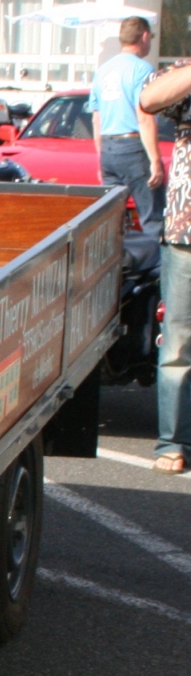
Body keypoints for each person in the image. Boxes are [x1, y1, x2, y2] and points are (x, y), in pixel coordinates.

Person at [139, 59, 191, 472]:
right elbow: (148, 98)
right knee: (178, 342)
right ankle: (172, 443)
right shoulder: (184, 74)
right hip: (186, 233)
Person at [87, 16, 162, 238]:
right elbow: (145, 117)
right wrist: (156, 161)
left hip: (109, 148)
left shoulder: (103, 70)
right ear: (145, 36)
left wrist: (101, 157)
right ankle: (156, 270)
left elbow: (96, 119)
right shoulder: (142, 69)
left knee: (111, 218)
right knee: (152, 216)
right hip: (133, 147)